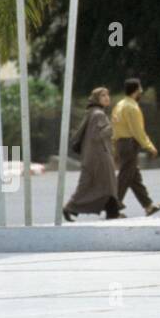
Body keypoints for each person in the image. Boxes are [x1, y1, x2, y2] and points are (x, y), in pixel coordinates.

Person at [63, 87, 122, 221]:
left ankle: (112, 212)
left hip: (94, 156)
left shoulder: (93, 112)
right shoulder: (98, 114)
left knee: (104, 186)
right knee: (104, 186)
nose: (107, 98)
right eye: (103, 96)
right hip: (99, 157)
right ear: (96, 99)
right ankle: (71, 207)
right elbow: (98, 135)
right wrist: (113, 125)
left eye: (107, 95)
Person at [110, 77, 160, 217]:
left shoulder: (120, 105)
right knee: (125, 177)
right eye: (140, 88)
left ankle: (148, 205)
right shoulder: (132, 107)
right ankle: (112, 208)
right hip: (129, 144)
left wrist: (115, 147)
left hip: (121, 143)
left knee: (134, 177)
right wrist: (149, 146)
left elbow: (115, 127)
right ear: (137, 90)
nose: (142, 91)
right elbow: (137, 130)